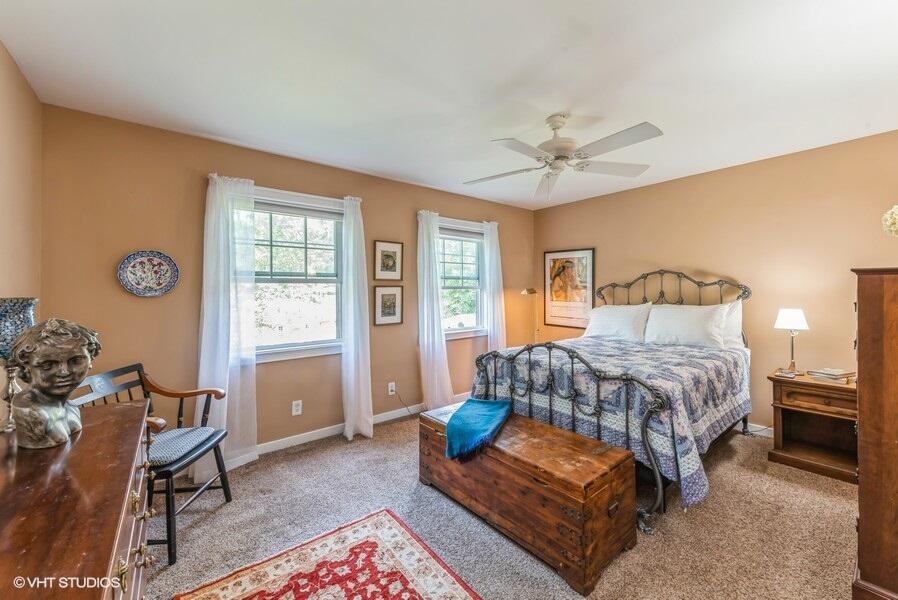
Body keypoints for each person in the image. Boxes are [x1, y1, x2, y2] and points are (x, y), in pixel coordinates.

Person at [7, 318, 101, 448]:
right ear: (26, 369)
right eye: (48, 365)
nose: (64, 372)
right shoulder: (30, 414)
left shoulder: (70, 406)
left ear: (91, 360)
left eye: (76, 360)